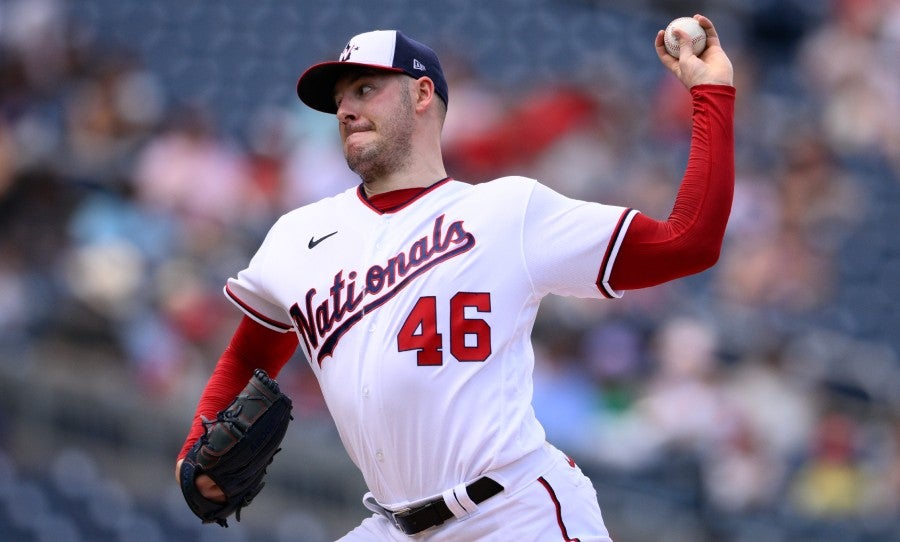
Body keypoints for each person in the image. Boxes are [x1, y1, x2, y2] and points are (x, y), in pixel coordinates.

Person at [176, 14, 735, 541]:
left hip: (514, 512)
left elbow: (688, 242)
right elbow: (249, 355)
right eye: (340, 98)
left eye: (366, 89)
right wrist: (192, 451)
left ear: (423, 95)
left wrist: (711, 94)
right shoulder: (298, 236)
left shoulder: (509, 212)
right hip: (392, 524)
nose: (345, 108)